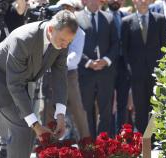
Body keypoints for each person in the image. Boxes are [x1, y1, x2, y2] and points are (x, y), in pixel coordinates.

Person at [0, 10, 78, 158]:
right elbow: (15, 85)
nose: (65, 46)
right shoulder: (23, 39)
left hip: (20, 81)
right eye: (63, 41)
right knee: (24, 126)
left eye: (69, 42)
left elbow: (60, 76)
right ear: (51, 29)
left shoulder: (63, 39)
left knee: (29, 128)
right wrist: (36, 125)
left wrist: (61, 115)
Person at [43, 0, 90, 140]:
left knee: (77, 110)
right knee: (48, 111)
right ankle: (48, 146)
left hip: (69, 75)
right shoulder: (50, 28)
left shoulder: (79, 32)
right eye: (63, 8)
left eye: (69, 8)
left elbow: (75, 57)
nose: (66, 11)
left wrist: (55, 64)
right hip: (49, 74)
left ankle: (86, 144)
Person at [122, 0, 166, 134]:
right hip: (136, 74)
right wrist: (130, 70)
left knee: (155, 106)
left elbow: (165, 46)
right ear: (134, 2)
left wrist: (162, 69)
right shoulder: (127, 21)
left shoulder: (159, 19)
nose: (142, 1)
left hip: (156, 73)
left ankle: (156, 137)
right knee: (140, 107)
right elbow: (124, 49)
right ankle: (142, 139)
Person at [75, 0, 119, 138]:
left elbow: (116, 43)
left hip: (105, 72)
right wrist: (87, 62)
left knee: (105, 111)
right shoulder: (76, 17)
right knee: (87, 109)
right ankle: (89, 144)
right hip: (85, 72)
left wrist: (105, 61)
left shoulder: (109, 18)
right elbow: (72, 44)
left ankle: (103, 144)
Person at [106, 0, 131, 136]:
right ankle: (108, 138)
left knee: (123, 104)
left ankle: (122, 138)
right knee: (107, 105)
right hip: (107, 65)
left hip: (123, 65)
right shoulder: (102, 16)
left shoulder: (126, 17)